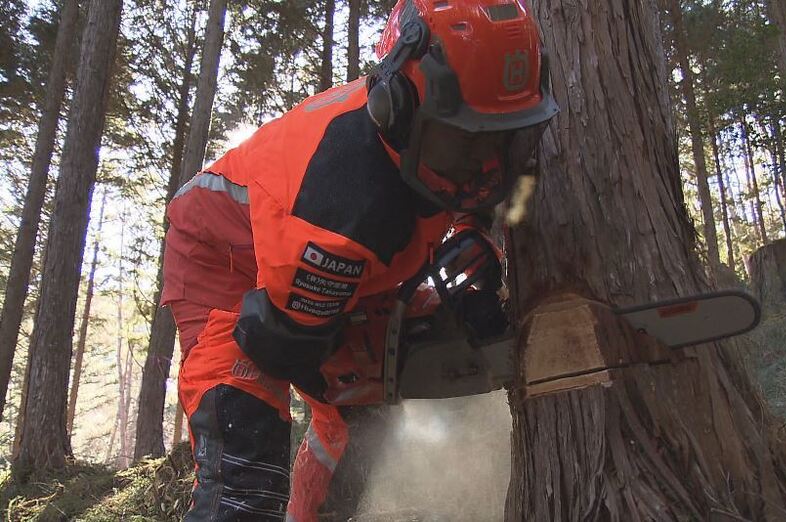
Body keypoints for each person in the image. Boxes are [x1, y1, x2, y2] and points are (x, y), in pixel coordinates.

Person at [161, 0, 558, 519]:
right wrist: (372, 347)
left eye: (501, 142)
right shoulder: (335, 200)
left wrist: (474, 232)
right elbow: (287, 345)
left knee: (353, 431)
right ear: (399, 109)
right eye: (461, 147)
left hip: (332, 259)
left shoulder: (460, 147)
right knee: (247, 461)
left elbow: (507, 180)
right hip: (225, 261)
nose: (481, 173)